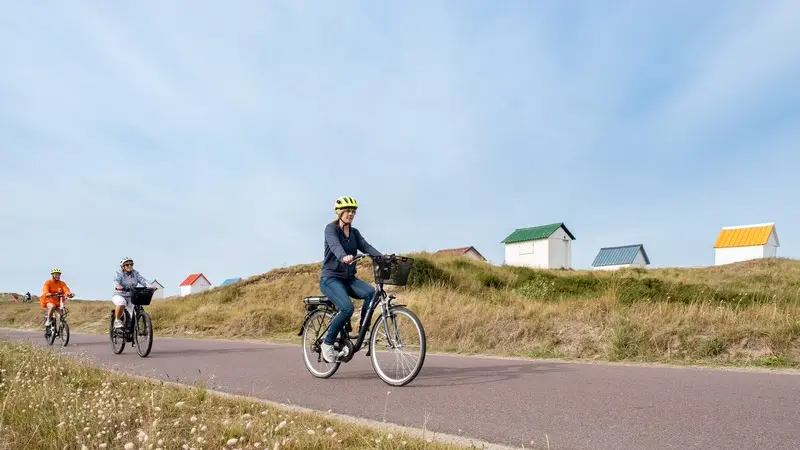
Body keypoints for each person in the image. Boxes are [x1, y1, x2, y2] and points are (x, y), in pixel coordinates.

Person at [319, 195, 382, 363]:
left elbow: (366, 246)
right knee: (347, 308)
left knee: (371, 293)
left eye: (353, 211)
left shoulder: (354, 233)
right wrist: (343, 256)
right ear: (339, 212)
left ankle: (364, 330)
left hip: (348, 279)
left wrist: (382, 257)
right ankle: (328, 343)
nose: (350, 214)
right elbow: (334, 246)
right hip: (330, 279)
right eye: (347, 211)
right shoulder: (331, 229)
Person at [112, 257, 156, 329]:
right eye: (127, 265)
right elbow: (116, 281)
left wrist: (150, 286)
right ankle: (117, 320)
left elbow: (142, 280)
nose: (129, 266)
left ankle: (131, 328)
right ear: (123, 267)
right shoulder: (119, 273)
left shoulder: (135, 273)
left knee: (133, 311)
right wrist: (118, 286)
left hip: (131, 296)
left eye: (131, 264)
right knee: (121, 302)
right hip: (119, 294)